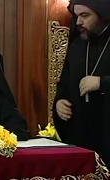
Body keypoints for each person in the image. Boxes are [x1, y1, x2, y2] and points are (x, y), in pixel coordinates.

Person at [53, 0, 110, 168]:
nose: (78, 22)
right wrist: (59, 103)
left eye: (85, 16)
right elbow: (63, 82)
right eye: (76, 16)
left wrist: (102, 82)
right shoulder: (76, 45)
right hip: (81, 137)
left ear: (103, 15)